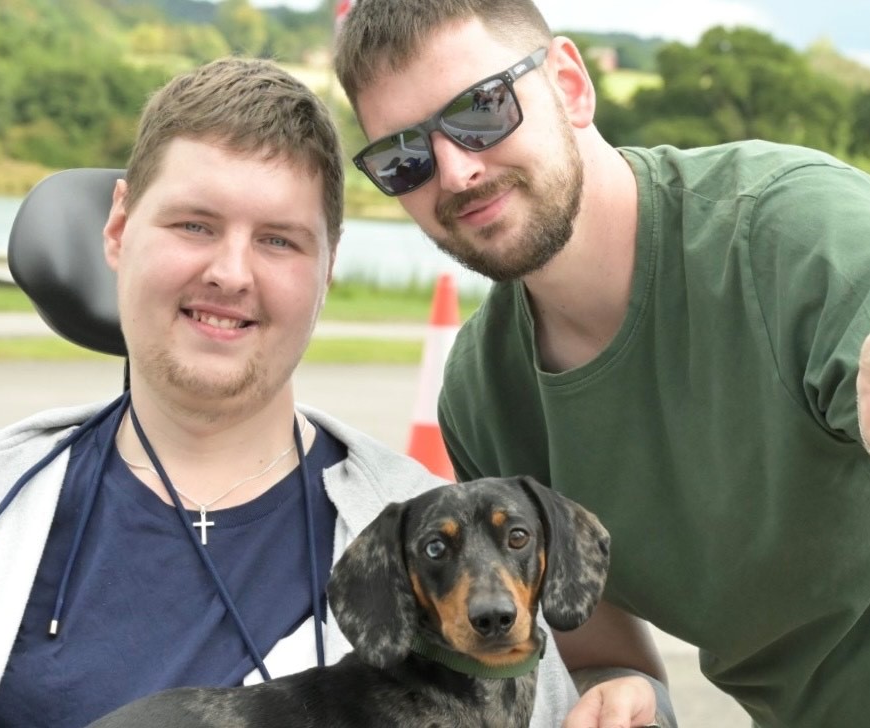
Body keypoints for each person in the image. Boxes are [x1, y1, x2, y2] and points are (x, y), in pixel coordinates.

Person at [0, 57, 664, 728]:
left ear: (327, 272)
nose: (229, 273)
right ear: (120, 228)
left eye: (279, 241)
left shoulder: (418, 523)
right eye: (194, 224)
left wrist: (630, 693)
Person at [334, 1, 870, 726]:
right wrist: (626, 694)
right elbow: (598, 647)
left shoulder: (793, 234)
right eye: (404, 157)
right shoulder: (483, 392)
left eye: (481, 109)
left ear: (569, 84)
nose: (456, 170)